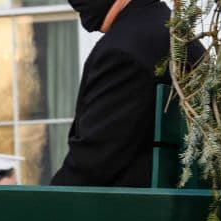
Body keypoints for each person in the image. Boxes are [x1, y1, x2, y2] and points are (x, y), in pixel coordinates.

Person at [50, 0, 204, 187]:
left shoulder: (124, 49)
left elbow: (92, 162)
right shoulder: (167, 28)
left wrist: (35, 213)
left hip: (135, 210)